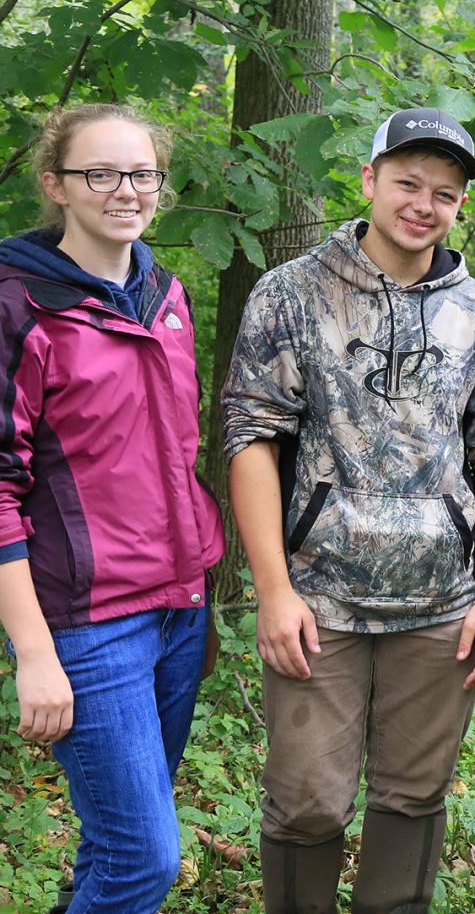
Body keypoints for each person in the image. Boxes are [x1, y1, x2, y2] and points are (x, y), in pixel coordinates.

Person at [222, 107, 475, 913]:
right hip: (318, 601)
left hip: (440, 607)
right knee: (307, 801)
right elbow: (250, 439)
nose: (424, 203)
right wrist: (273, 590)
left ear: (462, 205)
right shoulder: (289, 293)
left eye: (445, 192)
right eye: (407, 183)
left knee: (412, 797)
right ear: (369, 181)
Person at [0, 103, 226, 912]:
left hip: (178, 610)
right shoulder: (19, 305)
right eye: (100, 173)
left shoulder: (166, 296)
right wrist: (34, 651)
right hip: (90, 627)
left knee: (112, 843)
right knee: (143, 861)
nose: (125, 190)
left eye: (141, 173)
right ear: (56, 185)